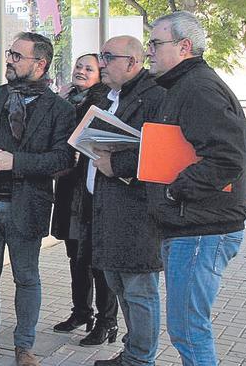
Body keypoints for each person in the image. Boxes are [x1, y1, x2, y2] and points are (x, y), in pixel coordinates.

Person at [0, 32, 76, 366]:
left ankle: (24, 348)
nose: (9, 60)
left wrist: (15, 162)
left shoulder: (59, 109)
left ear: (40, 63)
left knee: (27, 278)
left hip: (27, 206)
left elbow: (63, 159)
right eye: (10, 53)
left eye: (17, 56)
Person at [145, 12, 246, 365]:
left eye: (156, 44)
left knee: (189, 330)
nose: (150, 52)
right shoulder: (183, 85)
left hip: (202, 228)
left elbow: (227, 159)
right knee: (186, 328)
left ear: (184, 46)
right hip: (190, 226)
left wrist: (176, 191)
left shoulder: (199, 87)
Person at [88, 36, 166, 366]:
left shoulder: (156, 97)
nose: (102, 63)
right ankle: (132, 351)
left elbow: (160, 152)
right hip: (110, 210)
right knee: (119, 285)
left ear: (132, 62)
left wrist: (115, 165)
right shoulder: (111, 97)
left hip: (138, 214)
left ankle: (140, 359)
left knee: (139, 291)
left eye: (108, 57)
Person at [50, 53, 118, 344]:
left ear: (100, 74)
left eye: (88, 68)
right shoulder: (69, 99)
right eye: (77, 65)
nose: (80, 71)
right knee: (75, 256)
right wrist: (62, 99)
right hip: (70, 188)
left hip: (93, 190)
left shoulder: (102, 100)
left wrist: (64, 103)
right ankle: (81, 311)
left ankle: (107, 321)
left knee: (97, 259)